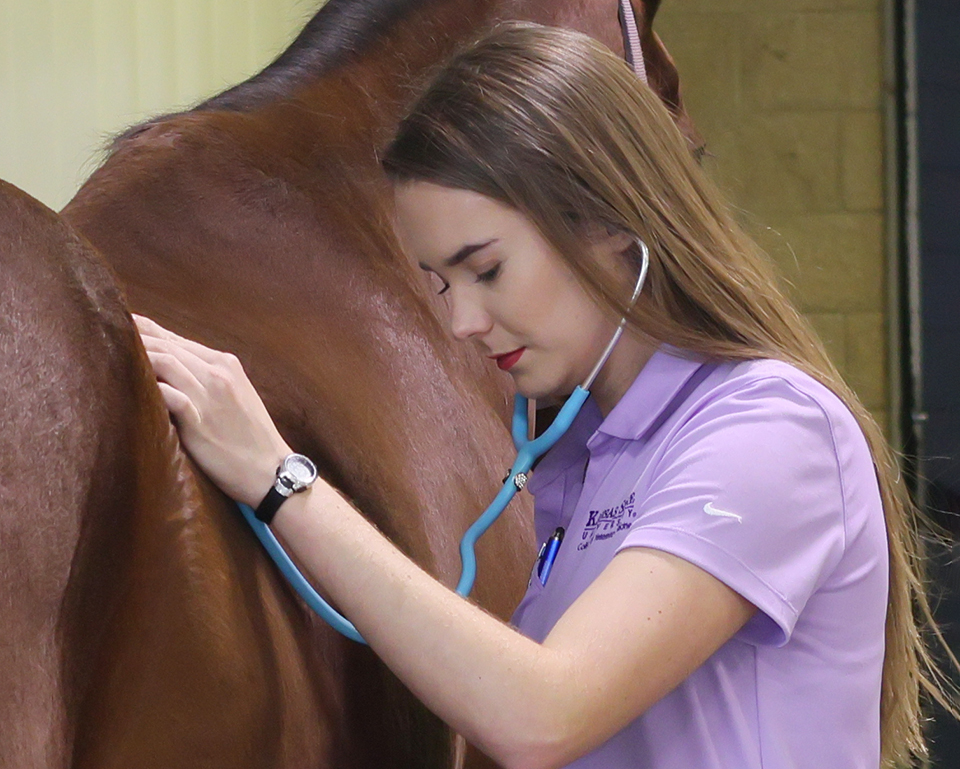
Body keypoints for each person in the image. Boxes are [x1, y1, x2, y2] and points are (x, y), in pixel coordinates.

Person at [136, 22, 947, 769]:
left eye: (485, 269)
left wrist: (282, 481)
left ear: (610, 221)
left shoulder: (769, 431)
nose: (459, 319)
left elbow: (543, 713)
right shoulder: (580, 454)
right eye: (438, 282)